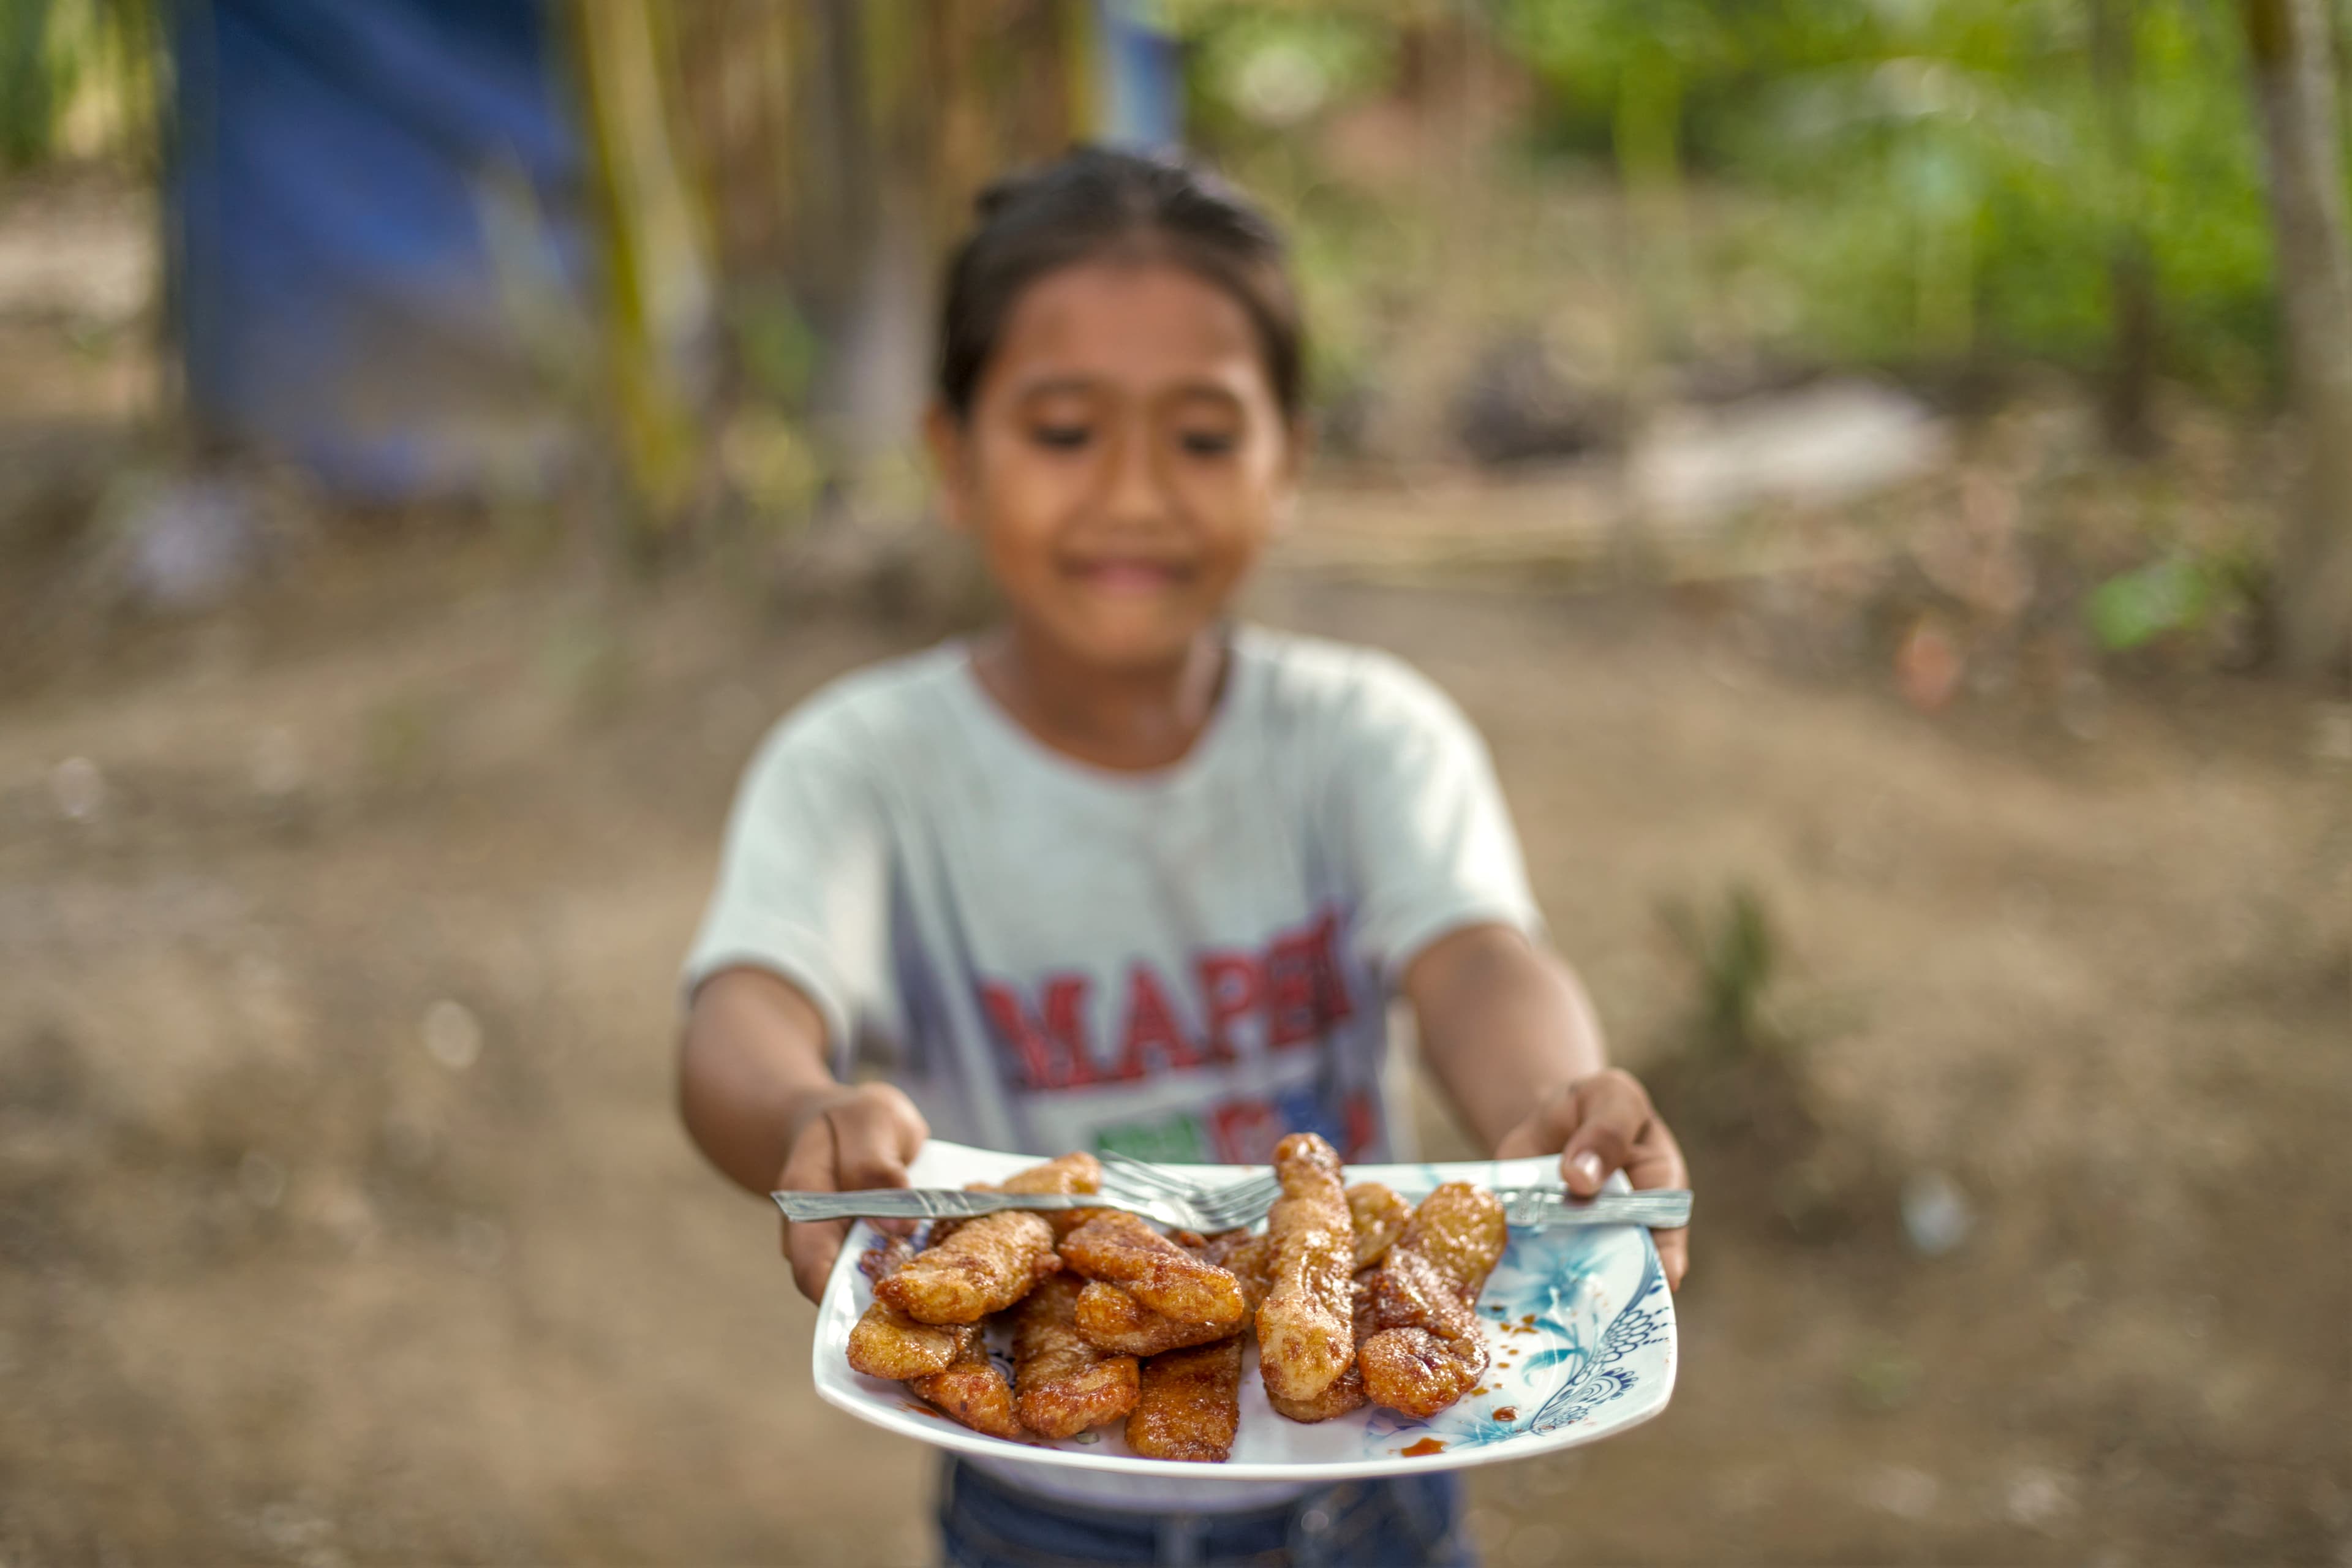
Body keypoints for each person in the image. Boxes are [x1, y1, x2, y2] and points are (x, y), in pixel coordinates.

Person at [676, 145, 1691, 1568]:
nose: (1137, 491)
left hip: (1365, 1476)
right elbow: (741, 1009)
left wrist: (1557, 1109)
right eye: (1066, 429)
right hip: (1037, 1488)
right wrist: (805, 1102)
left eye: (1205, 437)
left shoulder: (1365, 735)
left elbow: (1476, 960)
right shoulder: (862, 767)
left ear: (1290, 462)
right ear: (953, 456)